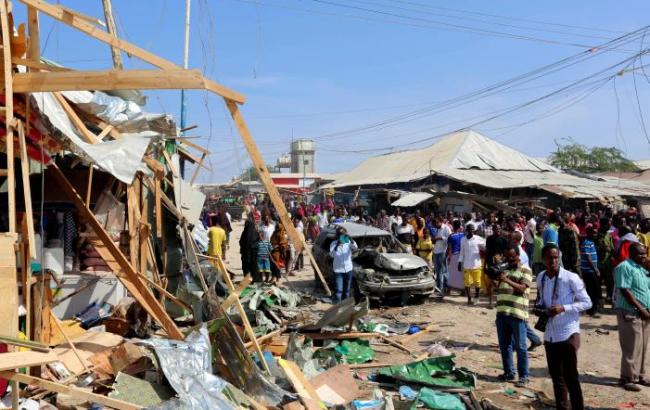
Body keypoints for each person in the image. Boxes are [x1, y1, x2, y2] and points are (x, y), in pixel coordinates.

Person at [536, 243, 592, 410]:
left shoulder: (570, 277)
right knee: (556, 377)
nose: (553, 261)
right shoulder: (541, 277)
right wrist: (539, 308)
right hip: (550, 335)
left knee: (571, 377)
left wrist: (564, 308)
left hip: (568, 333)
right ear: (543, 259)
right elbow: (541, 299)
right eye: (550, 258)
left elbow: (587, 303)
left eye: (556, 257)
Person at [613, 243, 650, 392]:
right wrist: (640, 309)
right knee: (631, 347)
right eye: (640, 254)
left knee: (642, 346)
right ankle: (627, 378)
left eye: (645, 254)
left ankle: (640, 375)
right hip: (630, 312)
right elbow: (625, 290)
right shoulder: (624, 267)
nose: (644, 257)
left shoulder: (641, 268)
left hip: (644, 313)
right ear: (631, 253)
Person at [495, 247, 532, 387]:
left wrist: (506, 279)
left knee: (521, 346)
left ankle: (524, 376)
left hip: (517, 314)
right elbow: (498, 288)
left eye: (512, 257)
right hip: (502, 313)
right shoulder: (504, 270)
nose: (509, 260)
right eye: (507, 257)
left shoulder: (525, 270)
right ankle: (509, 372)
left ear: (518, 256)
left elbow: (523, 288)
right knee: (505, 346)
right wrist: (498, 279)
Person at [329, 226, 358, 303]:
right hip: (338, 271)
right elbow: (331, 255)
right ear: (337, 236)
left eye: (343, 235)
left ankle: (346, 309)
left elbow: (355, 248)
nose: (342, 237)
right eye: (340, 235)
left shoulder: (348, 242)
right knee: (339, 292)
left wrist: (351, 240)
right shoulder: (333, 244)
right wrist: (337, 246)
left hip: (348, 270)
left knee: (347, 292)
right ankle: (338, 309)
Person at [458, 223, 485, 305]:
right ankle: (469, 298)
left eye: (473, 229)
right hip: (466, 264)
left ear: (474, 230)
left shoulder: (478, 239)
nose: (471, 231)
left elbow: (485, 246)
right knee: (467, 283)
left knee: (477, 282)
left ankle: (476, 297)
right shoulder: (463, 239)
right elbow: (462, 252)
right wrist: (459, 262)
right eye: (469, 229)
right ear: (466, 230)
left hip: (476, 264)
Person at [484, 223, 508, 308]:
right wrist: (484, 264)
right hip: (490, 263)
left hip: (500, 264)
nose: (497, 230)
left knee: (500, 283)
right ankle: (490, 302)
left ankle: (498, 301)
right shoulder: (489, 239)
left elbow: (505, 253)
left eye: (499, 228)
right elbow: (487, 252)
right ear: (493, 230)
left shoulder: (503, 240)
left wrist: (502, 260)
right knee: (490, 283)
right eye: (495, 229)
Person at [580, 226, 601, 317]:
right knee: (593, 291)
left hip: (590, 270)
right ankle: (592, 310)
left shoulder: (590, 242)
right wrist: (595, 269)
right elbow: (588, 257)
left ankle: (592, 309)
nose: (595, 235)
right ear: (589, 233)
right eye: (594, 233)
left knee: (592, 290)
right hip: (589, 271)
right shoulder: (587, 243)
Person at [596, 217, 615, 304]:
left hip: (608, 262)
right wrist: (602, 248)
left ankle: (609, 297)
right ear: (603, 224)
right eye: (608, 224)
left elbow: (611, 247)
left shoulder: (609, 234)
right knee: (598, 281)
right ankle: (599, 297)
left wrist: (611, 251)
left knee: (609, 281)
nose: (609, 225)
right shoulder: (596, 234)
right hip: (598, 262)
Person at [433, 216, 452, 295]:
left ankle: (446, 287)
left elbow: (450, 239)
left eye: (436, 223)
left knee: (443, 270)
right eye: (434, 223)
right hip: (436, 251)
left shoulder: (446, 228)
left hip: (443, 251)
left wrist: (440, 238)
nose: (435, 225)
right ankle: (439, 287)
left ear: (440, 221)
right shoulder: (437, 228)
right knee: (438, 271)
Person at [239, 213, 261, 282]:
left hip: (248, 255)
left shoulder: (245, 233)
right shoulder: (255, 233)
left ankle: (249, 281)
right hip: (252, 255)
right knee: (253, 268)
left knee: (248, 268)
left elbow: (241, 242)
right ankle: (253, 280)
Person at [448, 220, 465, 290]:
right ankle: (463, 289)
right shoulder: (463, 235)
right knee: (461, 273)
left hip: (454, 255)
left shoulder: (451, 236)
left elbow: (450, 248)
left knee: (452, 272)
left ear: (453, 226)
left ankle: (449, 289)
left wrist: (449, 257)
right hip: (462, 256)